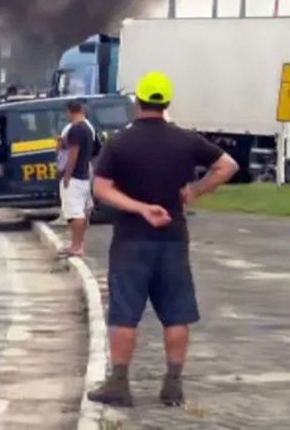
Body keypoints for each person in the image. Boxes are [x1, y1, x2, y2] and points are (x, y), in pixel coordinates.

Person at [87, 72, 238, 408]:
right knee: (176, 312)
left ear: (138, 102)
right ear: (167, 103)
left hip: (130, 241)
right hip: (173, 238)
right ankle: (172, 385)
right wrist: (194, 191)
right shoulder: (187, 140)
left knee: (125, 313)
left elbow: (101, 189)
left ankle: (120, 384)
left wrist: (140, 208)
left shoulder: (120, 143)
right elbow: (228, 166)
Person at [59, 100, 95, 257]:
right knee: (81, 210)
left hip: (74, 177)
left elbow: (73, 155)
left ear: (70, 111)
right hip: (84, 175)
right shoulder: (87, 128)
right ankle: (78, 245)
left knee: (75, 213)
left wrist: (67, 175)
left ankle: (76, 246)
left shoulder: (76, 129)